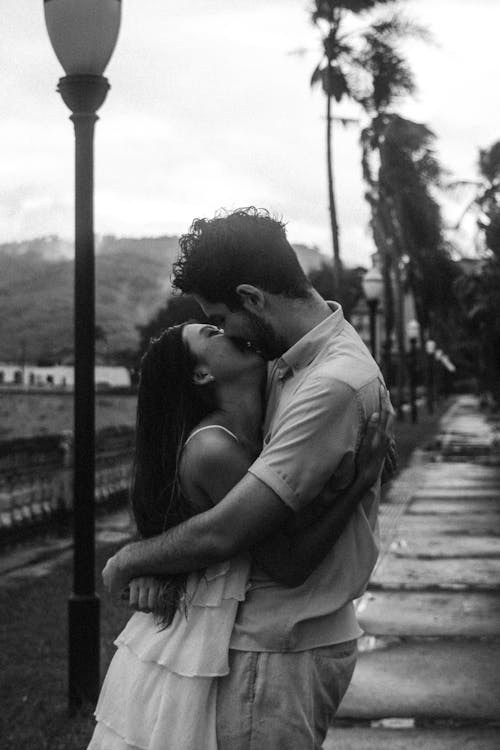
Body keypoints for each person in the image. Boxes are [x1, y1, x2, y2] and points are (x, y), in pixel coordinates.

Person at [103, 207, 394, 749]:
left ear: (253, 299)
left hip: (280, 647)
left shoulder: (329, 383)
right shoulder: (289, 365)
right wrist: (167, 562)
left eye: (220, 316)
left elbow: (229, 534)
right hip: (271, 641)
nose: (230, 332)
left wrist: (130, 559)